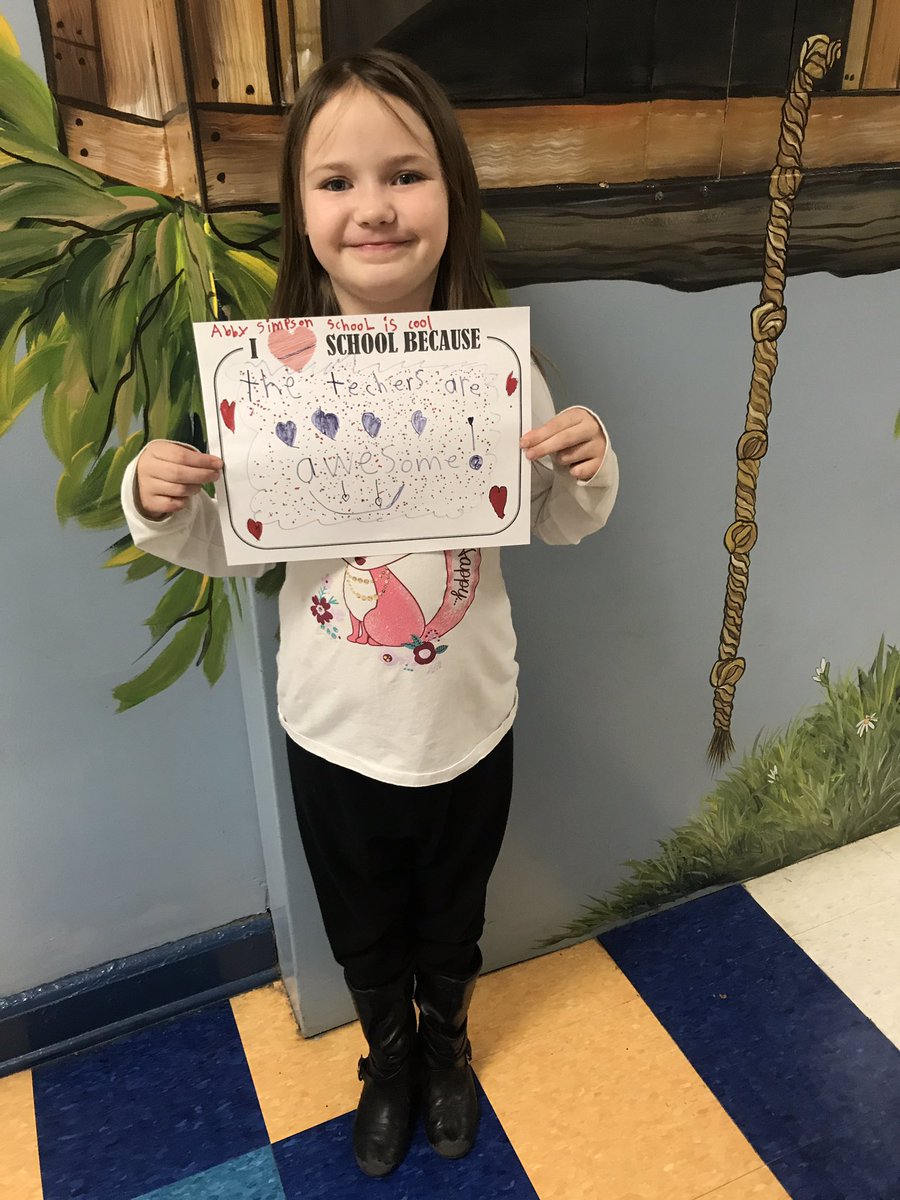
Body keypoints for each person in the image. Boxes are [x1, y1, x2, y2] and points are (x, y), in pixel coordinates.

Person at [121, 49, 618, 1178]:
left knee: (455, 913)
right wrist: (152, 496)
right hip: (334, 727)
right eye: (337, 181)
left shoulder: (503, 372)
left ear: (453, 194)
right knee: (361, 922)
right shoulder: (262, 383)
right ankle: (386, 1059)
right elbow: (222, 543)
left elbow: (559, 520)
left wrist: (586, 463)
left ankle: (447, 1048)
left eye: (406, 174)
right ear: (301, 213)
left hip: (470, 718)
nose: (375, 207)